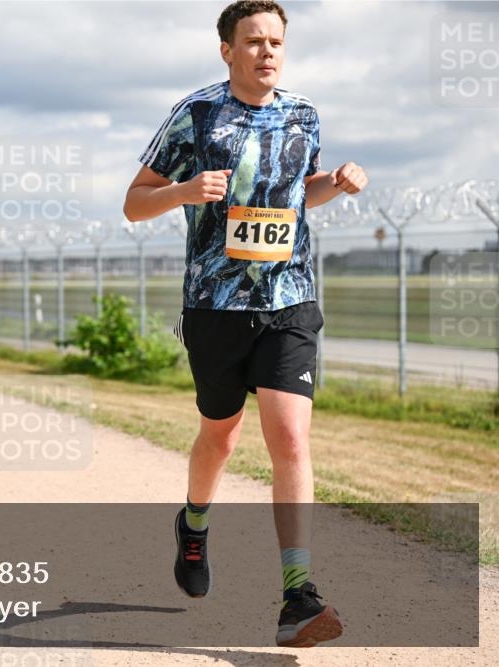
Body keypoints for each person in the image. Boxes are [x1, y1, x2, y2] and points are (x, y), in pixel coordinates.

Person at [123, 0, 367, 649]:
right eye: (253, 41)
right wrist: (181, 190)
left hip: (290, 299)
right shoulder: (195, 114)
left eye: (276, 42)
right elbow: (133, 201)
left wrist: (334, 184)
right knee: (220, 436)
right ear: (226, 49)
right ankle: (195, 524)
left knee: (289, 435)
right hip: (215, 306)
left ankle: (298, 593)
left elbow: (296, 193)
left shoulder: (304, 113)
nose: (266, 52)